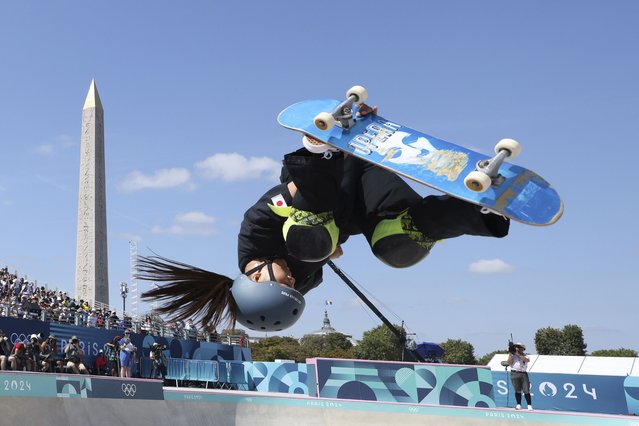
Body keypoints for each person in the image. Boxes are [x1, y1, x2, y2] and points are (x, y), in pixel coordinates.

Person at [138, 104, 509, 333]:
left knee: (309, 239)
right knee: (396, 249)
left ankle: (321, 149)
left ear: (256, 276)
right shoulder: (298, 284)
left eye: (287, 283)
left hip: (333, 176)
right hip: (365, 203)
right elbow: (331, 257)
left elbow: (295, 192)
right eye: (295, 288)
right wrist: (328, 252)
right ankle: (479, 211)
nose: (296, 281)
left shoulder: (254, 232)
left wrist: (332, 149)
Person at [508, 342, 533, 410]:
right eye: (516, 347)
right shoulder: (513, 356)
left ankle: (529, 405)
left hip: (523, 373)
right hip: (514, 373)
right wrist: (510, 354)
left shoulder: (525, 355)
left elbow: (526, 360)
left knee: (526, 389)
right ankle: (518, 404)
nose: (517, 348)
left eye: (519, 347)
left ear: (523, 348)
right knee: (517, 390)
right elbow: (509, 363)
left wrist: (518, 354)